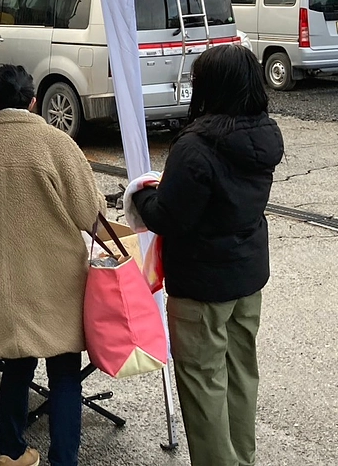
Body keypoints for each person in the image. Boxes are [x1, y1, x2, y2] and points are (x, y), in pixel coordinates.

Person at [130, 45, 283, 466]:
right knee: (240, 376)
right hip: (248, 276)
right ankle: (241, 458)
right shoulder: (266, 133)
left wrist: (142, 196)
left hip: (200, 285)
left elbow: (168, 217)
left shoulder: (196, 146)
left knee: (203, 384)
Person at [0, 64, 106, 466]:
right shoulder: (57, 144)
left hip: (3, 282)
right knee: (65, 375)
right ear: (33, 101)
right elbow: (91, 214)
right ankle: (63, 460)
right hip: (58, 282)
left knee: (16, 370)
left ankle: (12, 451)